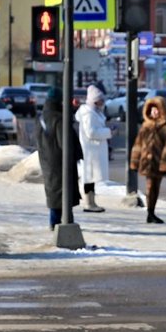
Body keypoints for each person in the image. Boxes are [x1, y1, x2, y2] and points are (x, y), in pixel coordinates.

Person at [36, 86, 82, 229]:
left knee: (54, 193)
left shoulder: (42, 117)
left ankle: (55, 222)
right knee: (63, 193)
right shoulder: (59, 119)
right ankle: (62, 223)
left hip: (47, 161)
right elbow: (66, 144)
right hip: (61, 163)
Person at [129, 95, 166, 224]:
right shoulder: (145, 126)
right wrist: (134, 161)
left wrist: (165, 163)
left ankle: (152, 211)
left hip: (159, 162)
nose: (154, 112)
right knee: (149, 186)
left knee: (156, 187)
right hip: (147, 162)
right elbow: (138, 145)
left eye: (157, 109)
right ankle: (150, 213)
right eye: (152, 109)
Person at [76, 84, 113, 212]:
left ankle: (91, 202)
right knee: (88, 177)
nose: (102, 102)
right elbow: (91, 132)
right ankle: (88, 203)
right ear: (95, 100)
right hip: (90, 151)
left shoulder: (93, 112)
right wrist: (108, 132)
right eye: (100, 100)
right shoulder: (89, 114)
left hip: (93, 150)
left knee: (91, 177)